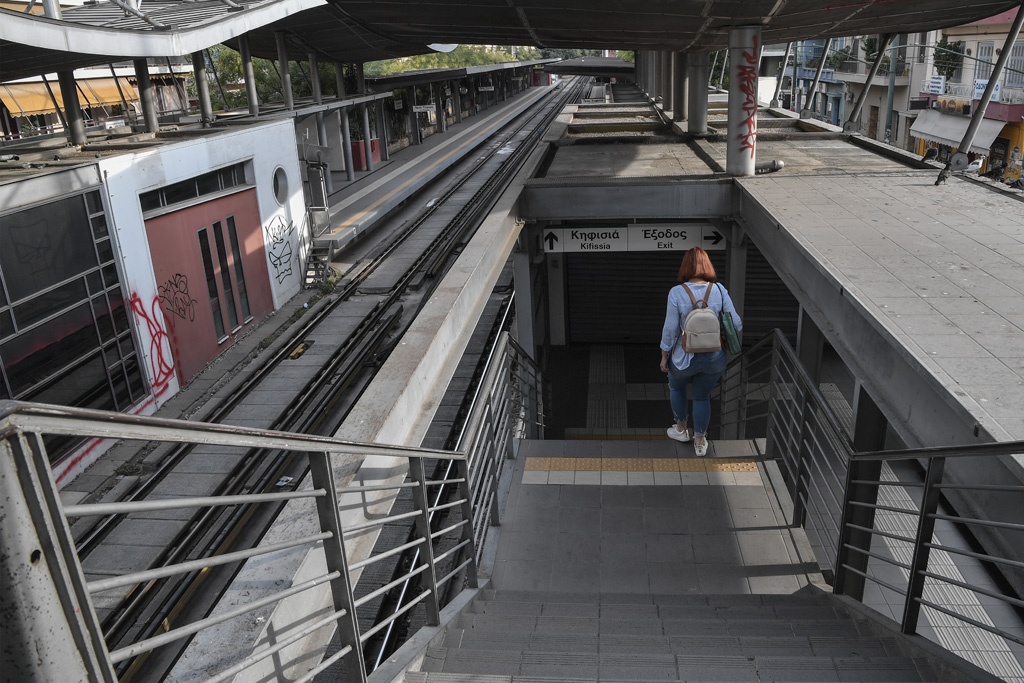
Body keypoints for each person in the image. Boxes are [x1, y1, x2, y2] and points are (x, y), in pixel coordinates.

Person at [659, 247, 742, 456]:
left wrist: (664, 356)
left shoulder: (676, 292)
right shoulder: (720, 290)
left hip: (683, 358)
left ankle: (680, 430)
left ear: (685, 267)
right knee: (702, 397)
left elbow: (670, 329)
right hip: (714, 357)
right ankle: (700, 442)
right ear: (707, 265)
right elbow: (737, 324)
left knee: (677, 388)